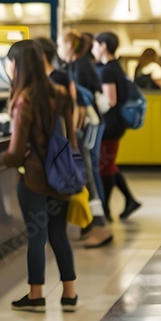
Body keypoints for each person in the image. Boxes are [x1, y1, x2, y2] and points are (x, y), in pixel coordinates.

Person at [2, 40, 79, 312]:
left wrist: (8, 160)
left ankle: (36, 295)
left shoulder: (24, 99)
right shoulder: (61, 94)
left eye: (9, 61)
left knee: (37, 236)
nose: (7, 66)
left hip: (34, 179)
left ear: (18, 64)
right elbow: (72, 139)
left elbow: (16, 150)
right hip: (62, 176)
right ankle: (69, 294)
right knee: (59, 233)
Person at [58, 31, 113, 248]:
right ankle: (92, 222)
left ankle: (97, 222)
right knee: (88, 169)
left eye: (61, 43)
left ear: (70, 44)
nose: (59, 47)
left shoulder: (80, 65)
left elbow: (82, 96)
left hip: (87, 123)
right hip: (84, 124)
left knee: (88, 170)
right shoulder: (73, 65)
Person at [93, 32, 141, 221]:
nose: (93, 49)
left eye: (95, 45)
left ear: (103, 46)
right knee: (109, 165)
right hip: (115, 125)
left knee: (105, 168)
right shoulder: (115, 67)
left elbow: (110, 100)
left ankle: (105, 209)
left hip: (110, 126)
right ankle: (129, 200)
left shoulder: (108, 71)